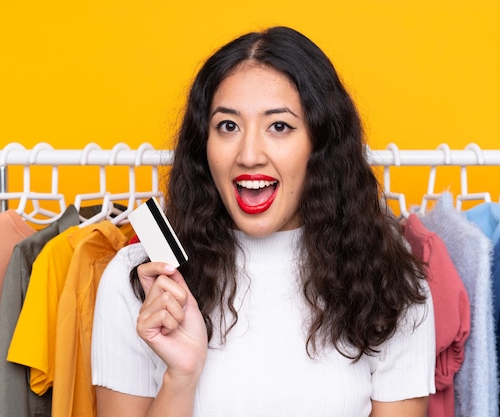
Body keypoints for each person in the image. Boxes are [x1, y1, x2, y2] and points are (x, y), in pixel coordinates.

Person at [91, 26, 435, 417]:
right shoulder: (138, 282)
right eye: (228, 126)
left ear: (319, 146)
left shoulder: (388, 283)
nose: (249, 154)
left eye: (279, 126)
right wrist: (181, 378)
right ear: (203, 146)